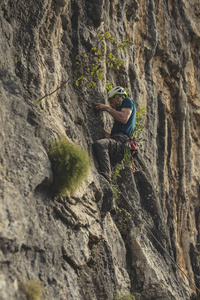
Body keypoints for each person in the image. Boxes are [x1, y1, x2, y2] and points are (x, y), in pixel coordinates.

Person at [93, 86, 136, 184]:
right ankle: (106, 181)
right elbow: (113, 135)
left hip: (121, 141)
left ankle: (106, 178)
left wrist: (107, 108)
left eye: (111, 102)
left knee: (100, 145)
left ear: (117, 97)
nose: (111, 105)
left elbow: (124, 118)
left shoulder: (127, 101)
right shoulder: (118, 117)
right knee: (105, 162)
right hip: (119, 143)